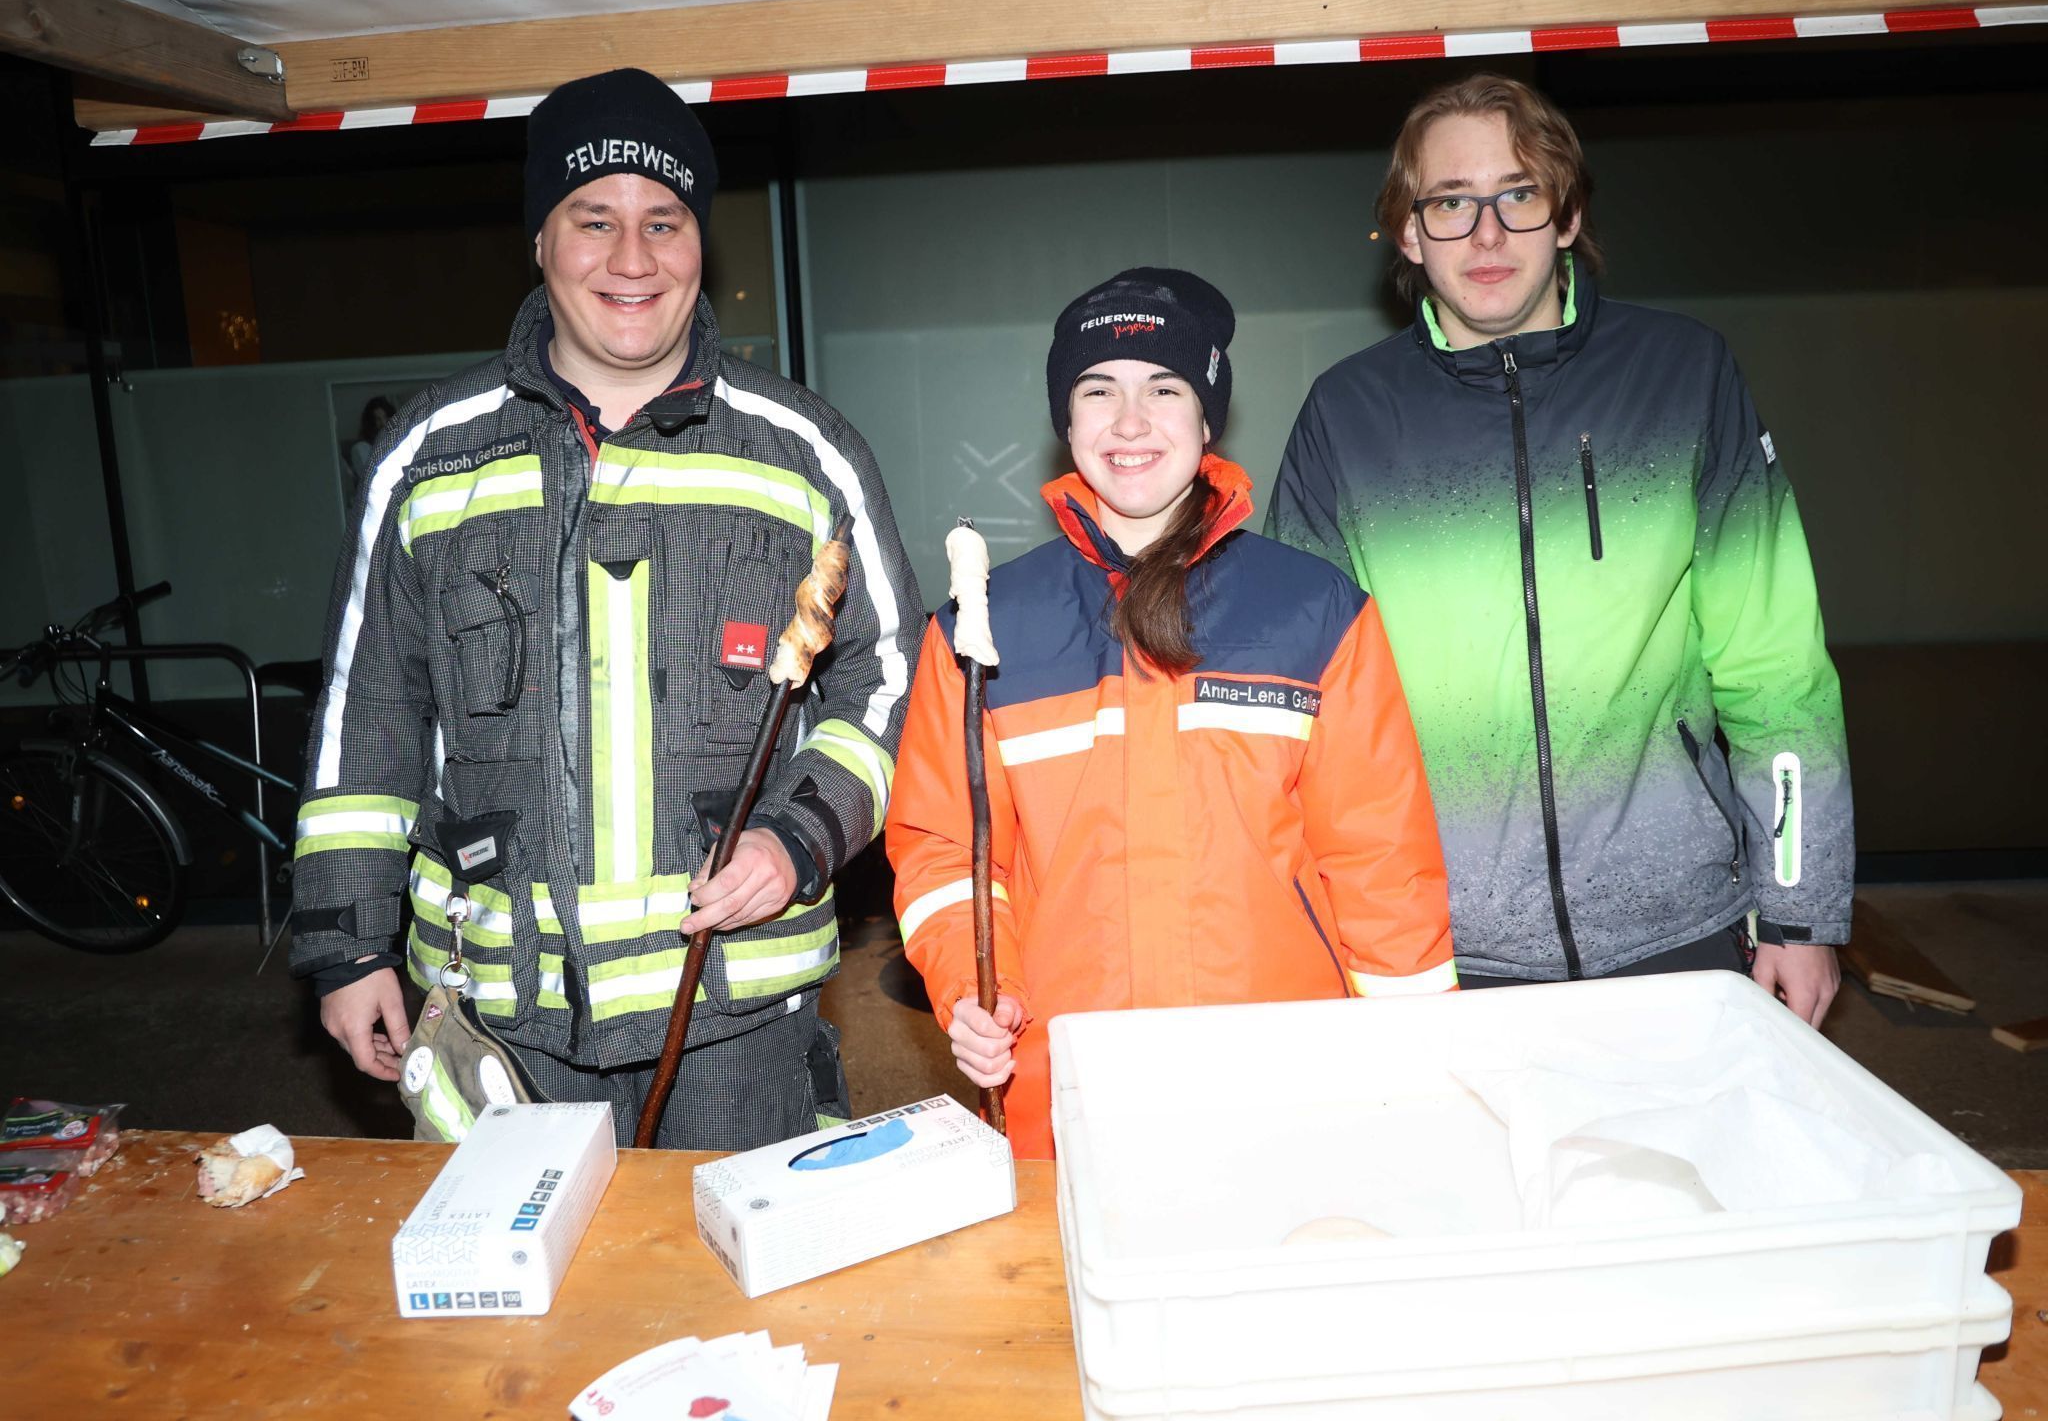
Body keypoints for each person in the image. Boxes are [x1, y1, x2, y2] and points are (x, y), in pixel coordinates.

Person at [291, 68, 921, 1148]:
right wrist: (350, 946)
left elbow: (891, 678)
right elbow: (373, 709)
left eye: (663, 223)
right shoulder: (430, 460)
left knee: (737, 1293)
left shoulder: (803, 451)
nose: (632, 260)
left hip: (733, 1014)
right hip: (507, 1012)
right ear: (541, 239)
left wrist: (798, 837)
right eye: (595, 221)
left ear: (698, 248)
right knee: (532, 1305)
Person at [1267, 74, 1851, 1022]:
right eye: (1452, 202)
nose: (1487, 234)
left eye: (1519, 194)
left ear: (1567, 214)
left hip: (1680, 931)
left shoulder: (1684, 376)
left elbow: (1776, 665)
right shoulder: (1346, 417)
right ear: (1409, 233)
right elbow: (1300, 711)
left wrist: (1800, 911)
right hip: (1436, 947)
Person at [886, 269, 1456, 1158]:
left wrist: (1421, 1072)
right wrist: (971, 983)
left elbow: (1383, 864)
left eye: (1164, 388)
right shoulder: (981, 628)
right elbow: (945, 850)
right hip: (1067, 1087)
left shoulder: (1313, 611)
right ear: (1066, 421)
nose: (1129, 421)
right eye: (1097, 390)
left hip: (1291, 1090)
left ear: (1206, 417)